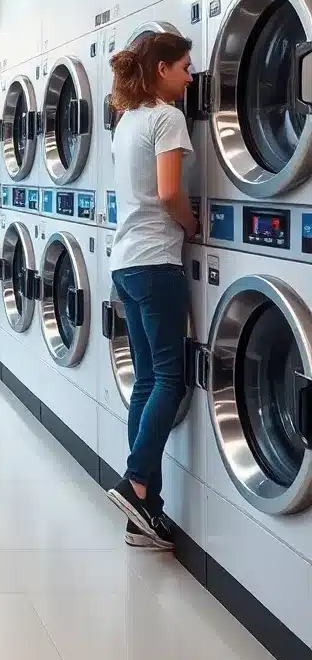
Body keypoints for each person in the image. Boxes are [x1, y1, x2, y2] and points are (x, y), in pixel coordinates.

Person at [104, 32, 197, 552]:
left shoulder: (126, 120)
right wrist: (191, 224)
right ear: (162, 69)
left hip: (124, 265)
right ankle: (137, 484)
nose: (190, 76)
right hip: (157, 261)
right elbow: (168, 192)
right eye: (184, 67)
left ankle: (144, 512)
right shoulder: (166, 118)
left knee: (146, 380)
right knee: (171, 379)